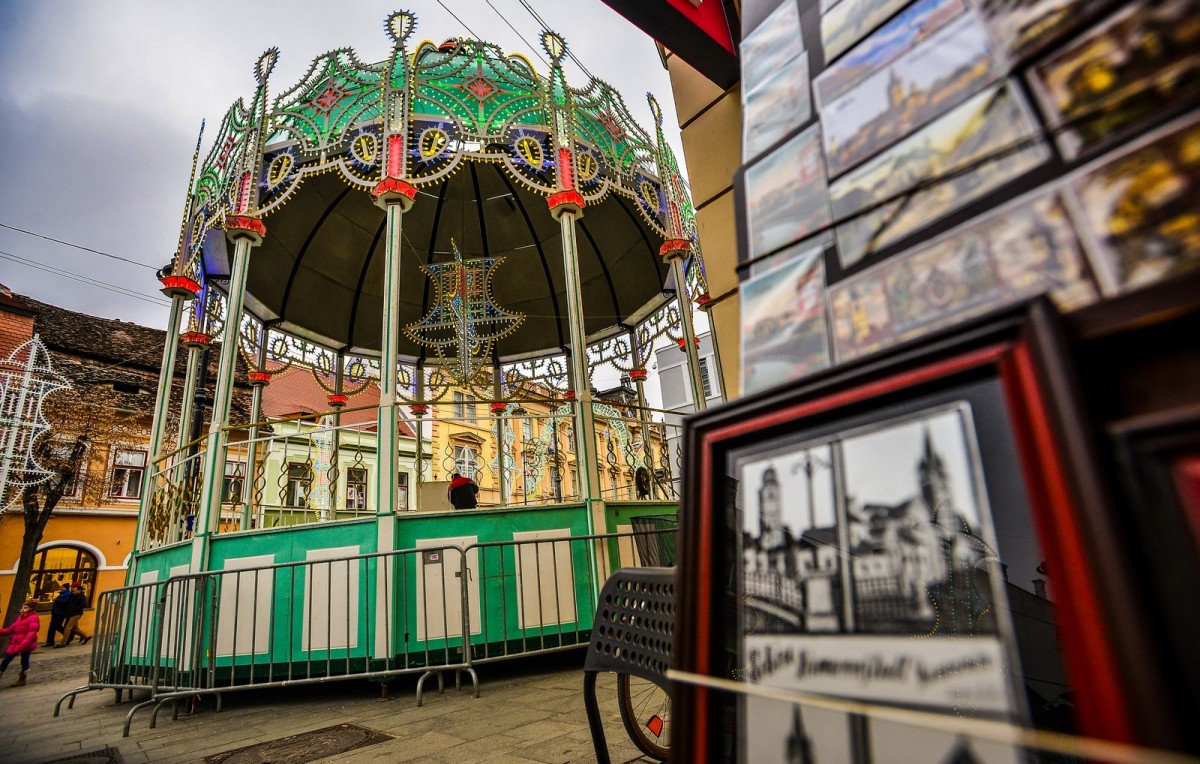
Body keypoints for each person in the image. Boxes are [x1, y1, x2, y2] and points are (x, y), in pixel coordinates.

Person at [0, 599, 41, 686]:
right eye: (22, 608)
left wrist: (24, 643)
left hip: (26, 643)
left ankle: (22, 678)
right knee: (6, 659)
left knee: (24, 660)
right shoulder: (20, 618)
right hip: (15, 643)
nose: (22, 609)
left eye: (25, 608)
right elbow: (11, 629)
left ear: (31, 609)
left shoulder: (33, 618)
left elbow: (32, 632)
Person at [56, 583, 91, 647]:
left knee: (68, 628)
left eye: (74, 590)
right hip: (71, 613)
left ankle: (63, 643)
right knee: (75, 628)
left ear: (79, 590)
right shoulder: (72, 596)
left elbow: (83, 604)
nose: (73, 592)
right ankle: (86, 637)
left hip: (76, 614)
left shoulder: (82, 597)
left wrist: (74, 609)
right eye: (73, 590)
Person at [45, 582, 72, 647]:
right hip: (56, 612)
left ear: (66, 588)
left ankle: (68, 635)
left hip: (61, 612)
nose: (61, 588)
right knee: (52, 627)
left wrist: (57, 599)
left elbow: (65, 602)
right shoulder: (62, 594)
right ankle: (50, 641)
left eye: (62, 587)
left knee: (57, 626)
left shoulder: (67, 594)